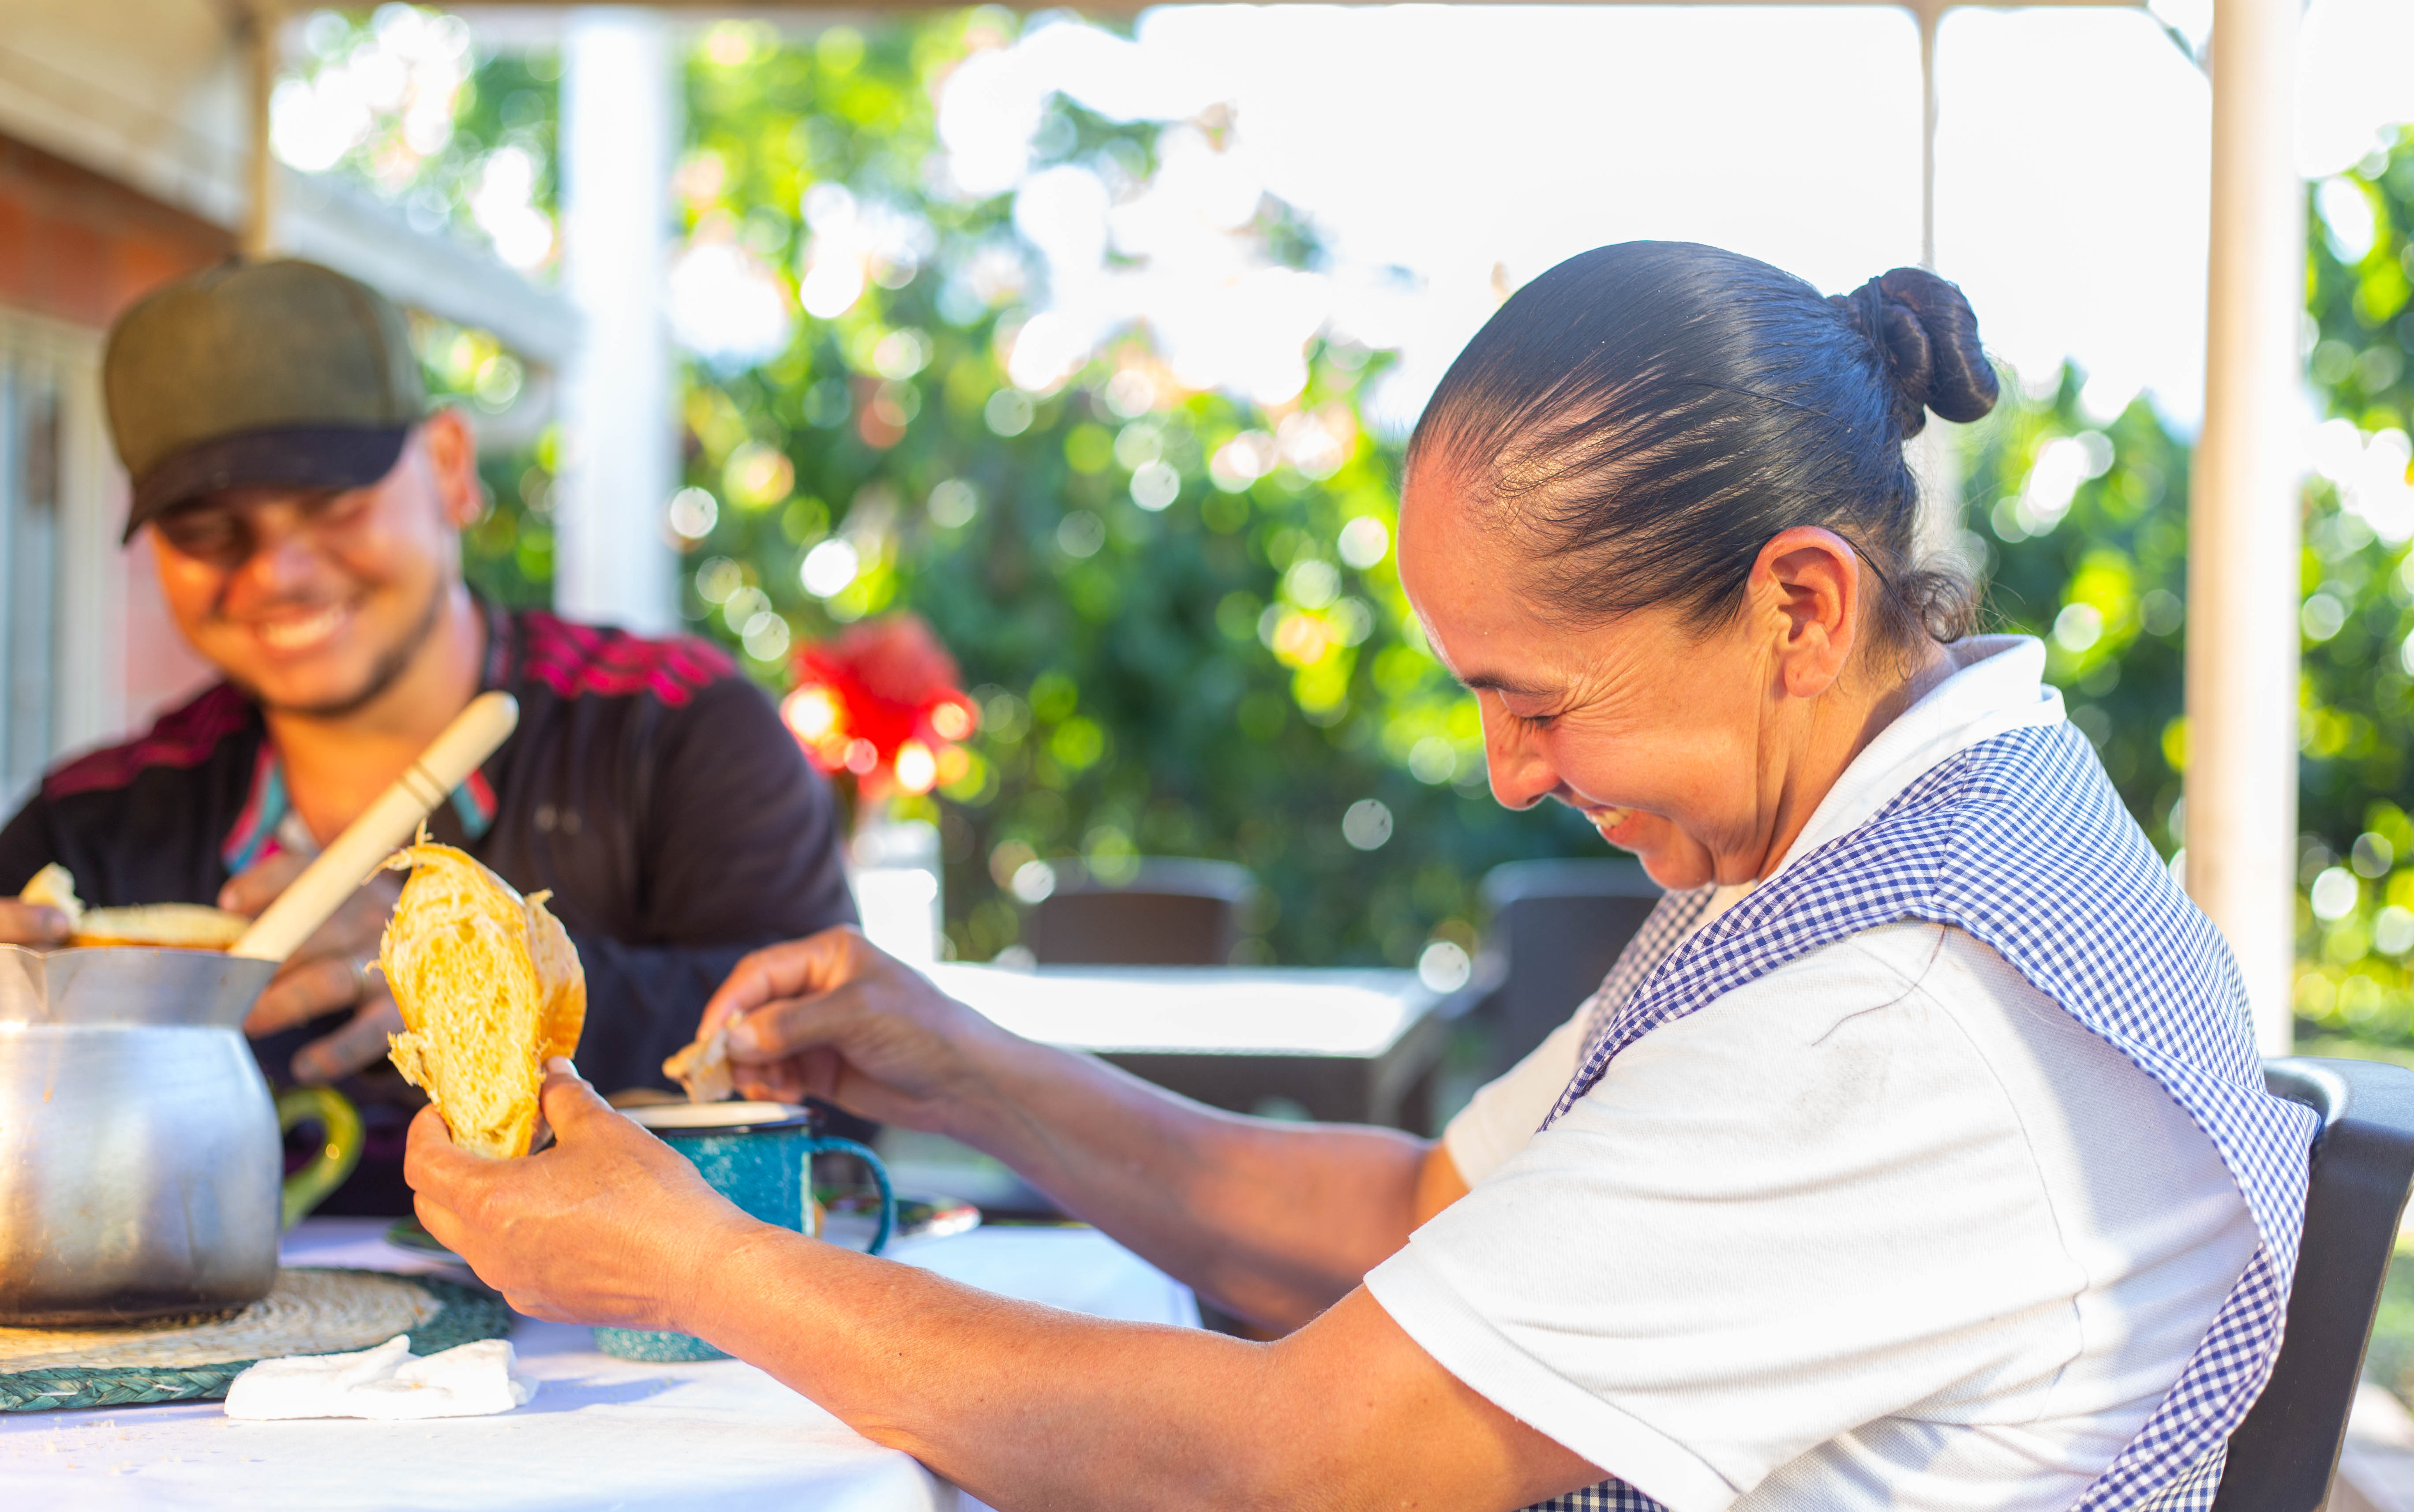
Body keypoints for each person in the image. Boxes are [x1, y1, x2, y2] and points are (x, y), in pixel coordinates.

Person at [407, 243, 2313, 1512]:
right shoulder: (1877, 852)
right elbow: (1417, 1206)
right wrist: (951, 1060)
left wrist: (678, 1257)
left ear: (1798, 606)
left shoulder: (1905, 1014)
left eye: (1537, 700)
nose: (1511, 773)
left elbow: (1282, 1454)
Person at [0, 258, 855, 1208]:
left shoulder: (673, 728)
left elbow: (845, 1076)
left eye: (332, 505)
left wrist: (472, 984)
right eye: (208, 531)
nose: (280, 572)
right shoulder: (88, 826)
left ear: (451, 466)